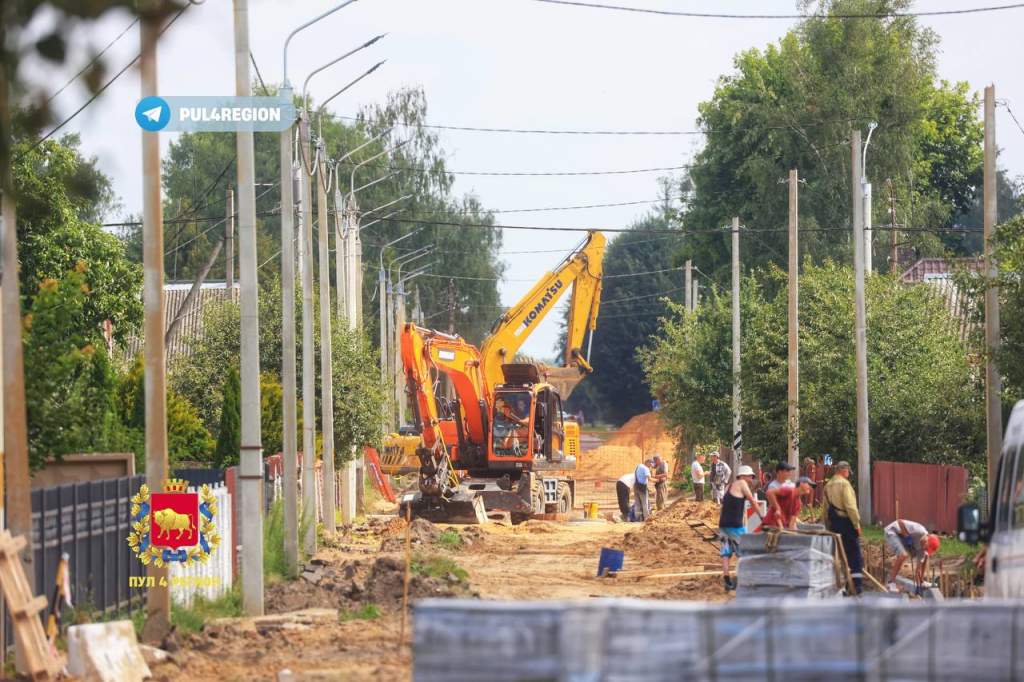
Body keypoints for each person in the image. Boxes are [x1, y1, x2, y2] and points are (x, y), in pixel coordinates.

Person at [823, 461, 864, 595]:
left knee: (840, 555)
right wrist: (856, 524)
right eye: (847, 472)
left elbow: (825, 509)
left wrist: (827, 526)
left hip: (834, 524)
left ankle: (843, 585)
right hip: (846, 522)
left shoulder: (828, 485)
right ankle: (856, 586)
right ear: (844, 470)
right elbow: (850, 507)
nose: (848, 474)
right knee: (854, 555)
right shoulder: (844, 484)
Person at [718, 465, 760, 591]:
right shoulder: (742, 484)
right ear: (743, 476)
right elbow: (752, 501)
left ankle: (727, 580)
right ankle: (743, 578)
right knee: (744, 551)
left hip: (724, 524)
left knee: (726, 553)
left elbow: (723, 505)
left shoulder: (729, 486)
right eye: (750, 476)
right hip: (735, 525)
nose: (751, 479)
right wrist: (762, 516)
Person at [884, 519, 940, 589]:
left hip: (902, 538)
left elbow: (919, 566)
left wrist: (918, 577)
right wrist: (906, 535)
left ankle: (921, 582)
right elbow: (899, 522)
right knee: (903, 555)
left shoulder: (923, 549)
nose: (925, 549)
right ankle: (891, 582)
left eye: (927, 549)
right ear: (927, 540)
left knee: (925, 556)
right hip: (893, 532)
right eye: (926, 547)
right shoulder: (919, 530)